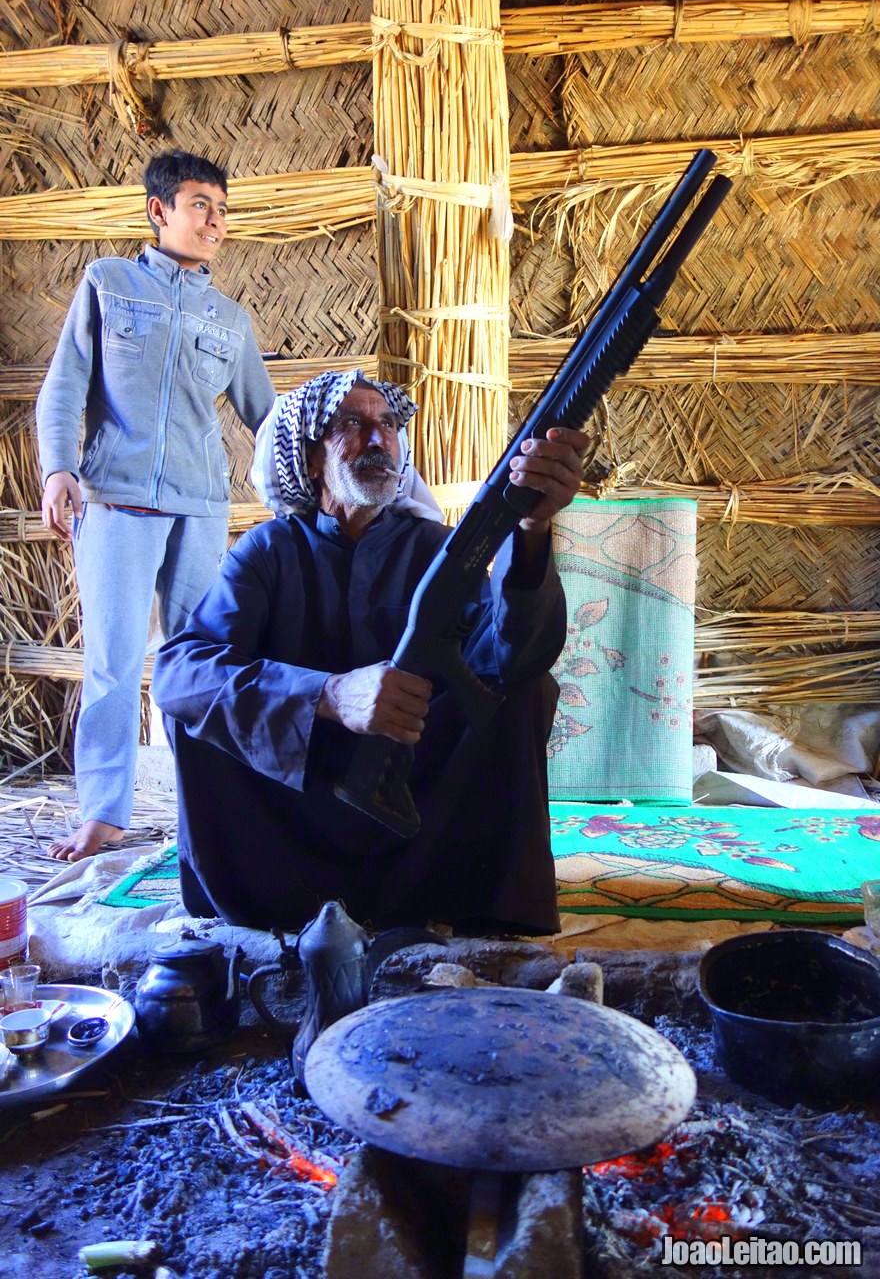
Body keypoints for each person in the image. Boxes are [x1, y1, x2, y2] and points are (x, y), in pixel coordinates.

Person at [152, 369, 590, 935]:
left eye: (387, 423)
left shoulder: (435, 549)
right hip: (294, 816)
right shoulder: (267, 552)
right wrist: (327, 696)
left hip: (419, 807)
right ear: (312, 461)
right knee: (195, 710)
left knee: (526, 688)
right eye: (350, 425)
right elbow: (178, 671)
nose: (378, 438)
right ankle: (269, 905)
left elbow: (510, 655)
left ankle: (476, 900)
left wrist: (529, 531)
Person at [36, 149, 277, 863]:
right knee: (112, 660)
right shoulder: (107, 285)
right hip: (115, 501)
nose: (215, 221)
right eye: (201, 204)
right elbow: (64, 386)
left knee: (199, 658)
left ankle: (207, 805)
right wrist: (58, 470)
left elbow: (266, 418)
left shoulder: (230, 319)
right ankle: (105, 814)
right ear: (159, 210)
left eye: (223, 210)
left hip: (202, 506)